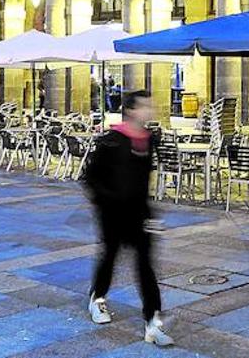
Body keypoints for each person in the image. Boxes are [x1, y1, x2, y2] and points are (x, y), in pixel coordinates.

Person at [83, 90, 173, 346]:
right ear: (131, 110)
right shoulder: (112, 140)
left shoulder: (149, 139)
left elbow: (143, 181)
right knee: (110, 256)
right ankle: (97, 298)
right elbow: (90, 177)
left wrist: (149, 212)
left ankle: (152, 321)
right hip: (112, 212)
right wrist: (105, 203)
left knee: (145, 265)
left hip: (139, 213)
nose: (150, 110)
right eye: (145, 106)